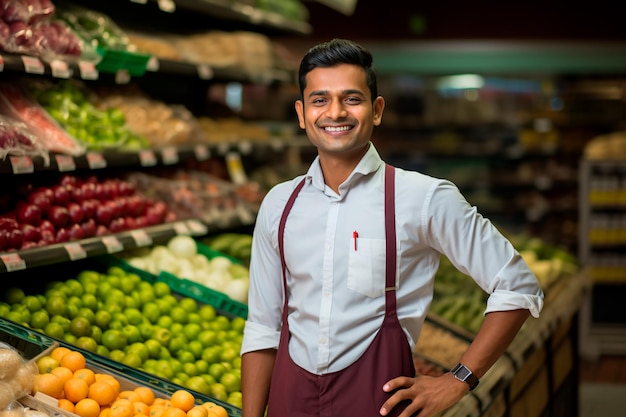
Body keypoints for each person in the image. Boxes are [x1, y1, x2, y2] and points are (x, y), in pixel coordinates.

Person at [240, 38, 544, 417]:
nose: (335, 112)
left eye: (352, 98)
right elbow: (263, 328)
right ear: (302, 114)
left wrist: (457, 379)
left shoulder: (423, 197)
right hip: (289, 402)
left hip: (379, 405)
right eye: (320, 100)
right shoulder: (279, 204)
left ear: (377, 109)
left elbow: (517, 285)